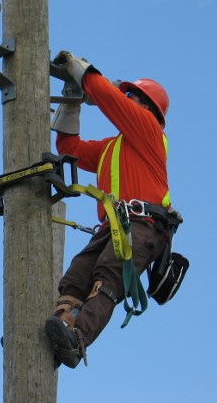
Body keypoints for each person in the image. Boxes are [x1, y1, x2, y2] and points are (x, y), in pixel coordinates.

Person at [45, 51, 177, 368]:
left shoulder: (149, 131)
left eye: (133, 96)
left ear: (149, 109)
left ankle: (77, 341)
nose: (127, 99)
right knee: (75, 278)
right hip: (114, 227)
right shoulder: (112, 148)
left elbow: (109, 100)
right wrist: (71, 102)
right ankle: (53, 330)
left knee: (107, 277)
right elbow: (70, 149)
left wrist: (81, 71)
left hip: (143, 224)